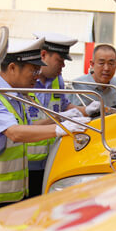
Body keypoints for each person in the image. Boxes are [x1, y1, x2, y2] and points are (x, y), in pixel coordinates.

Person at [0, 38, 86, 215]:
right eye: (33, 70)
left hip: (6, 195)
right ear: (13, 68)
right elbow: (15, 132)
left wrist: (59, 118)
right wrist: (60, 129)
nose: (37, 76)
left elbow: (27, 126)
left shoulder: (13, 96)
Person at [26, 32, 88, 197]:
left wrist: (86, 110)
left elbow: (64, 105)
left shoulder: (57, 80)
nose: (63, 66)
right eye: (59, 60)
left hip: (49, 160)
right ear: (43, 55)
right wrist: (59, 119)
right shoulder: (24, 82)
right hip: (24, 164)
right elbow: (21, 127)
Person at [72, 43, 116, 109]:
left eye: (111, 63)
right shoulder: (76, 86)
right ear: (92, 64)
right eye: (101, 63)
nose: (106, 68)